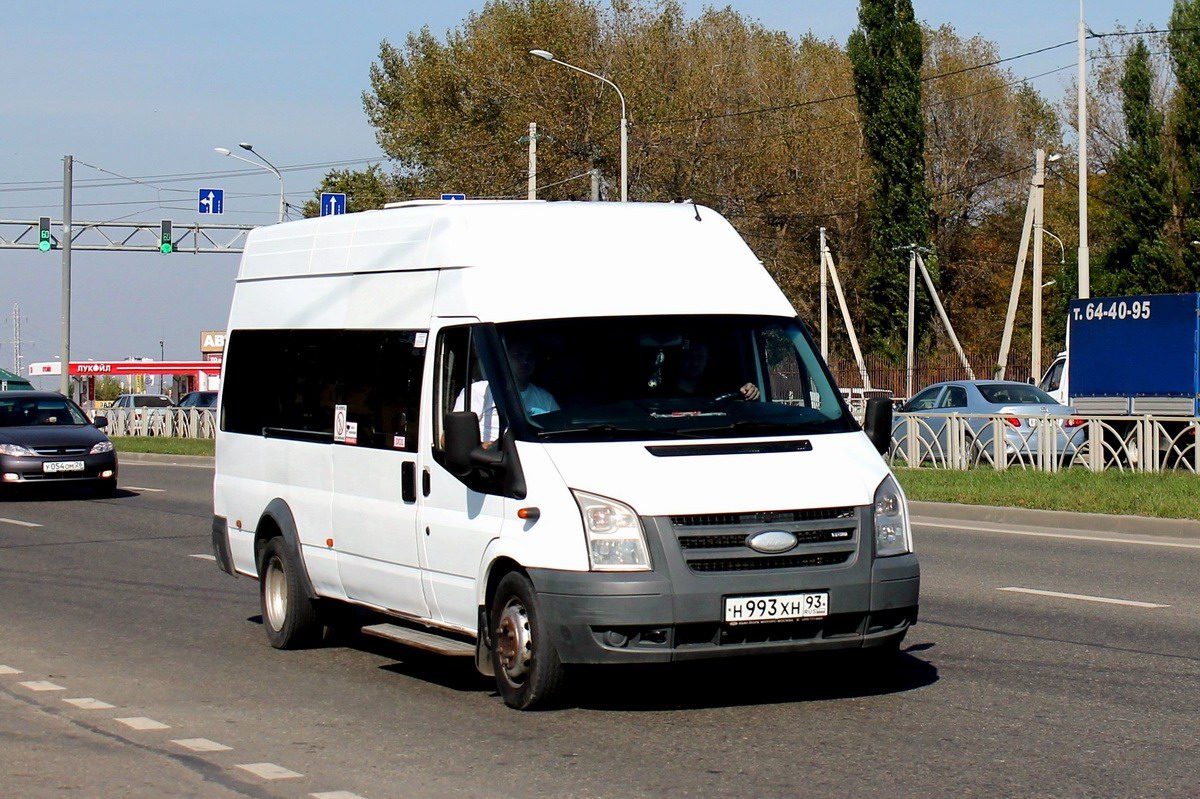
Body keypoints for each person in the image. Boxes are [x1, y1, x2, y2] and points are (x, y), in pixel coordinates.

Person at [453, 338, 559, 443]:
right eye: (519, 355)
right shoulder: (480, 391)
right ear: (505, 358)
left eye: (530, 357)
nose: (525, 361)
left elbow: (558, 434)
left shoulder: (546, 399)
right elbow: (450, 439)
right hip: (492, 457)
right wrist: (481, 446)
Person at [674, 341, 759, 400]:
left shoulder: (716, 391)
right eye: (690, 357)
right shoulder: (664, 394)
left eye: (699, 357)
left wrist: (750, 391)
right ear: (681, 359)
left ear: (706, 361)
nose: (695, 363)